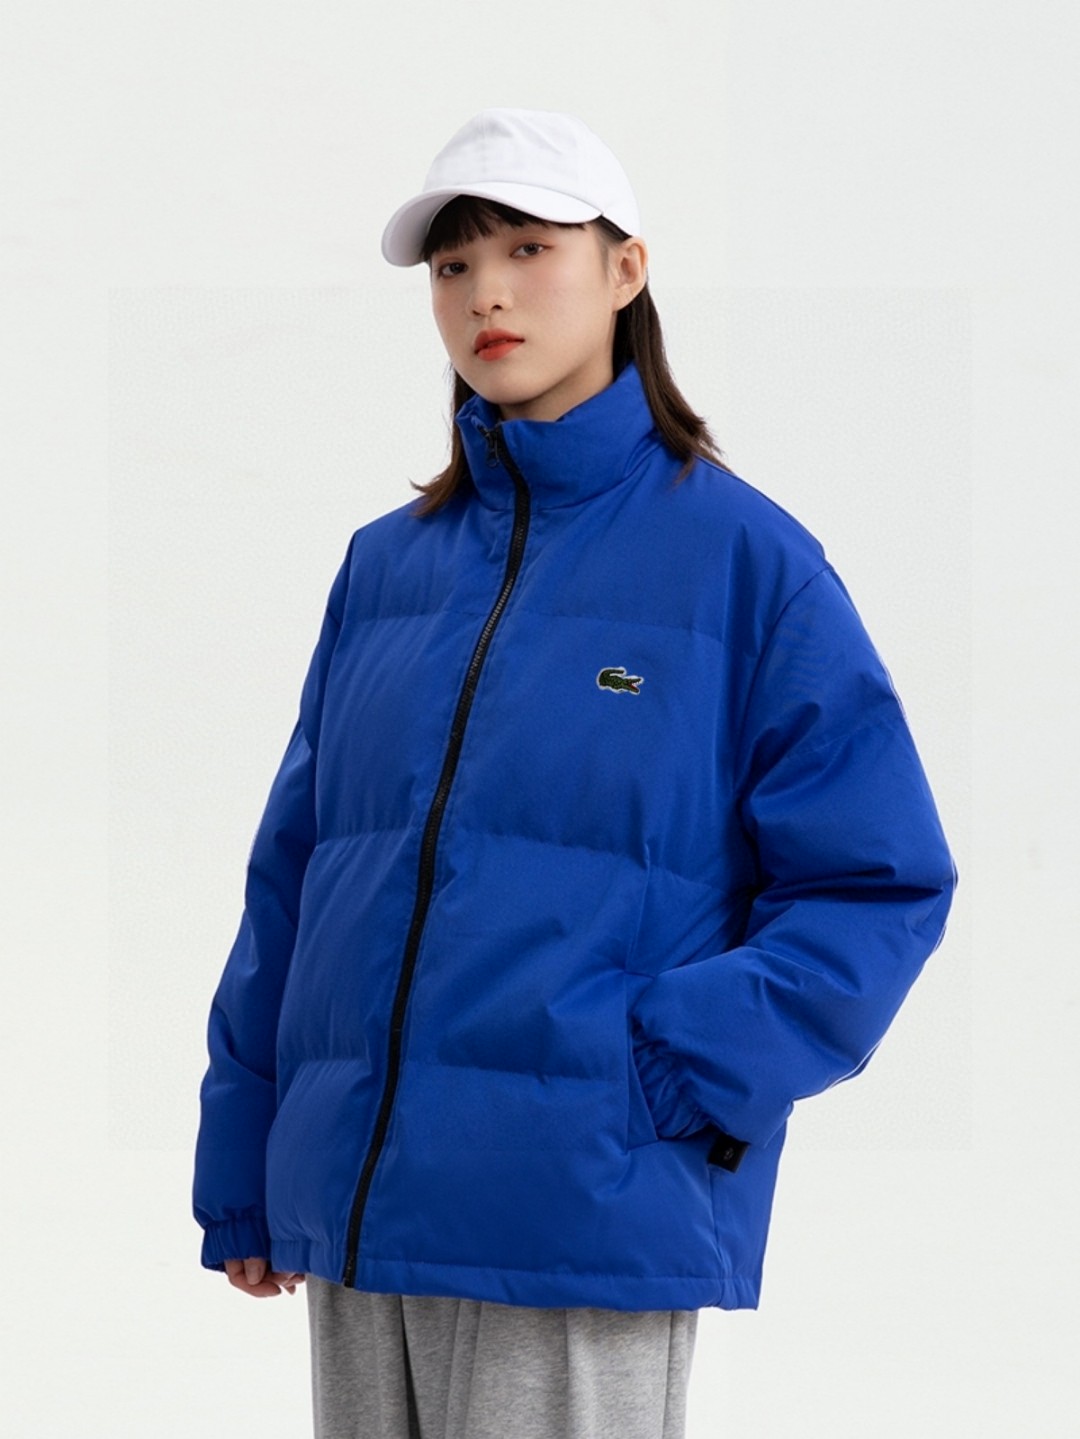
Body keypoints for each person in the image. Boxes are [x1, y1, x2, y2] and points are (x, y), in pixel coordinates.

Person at [192, 108, 956, 1439]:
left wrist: (659, 1071)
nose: (485, 293)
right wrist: (246, 1152)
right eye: (453, 265)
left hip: (577, 1205)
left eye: (529, 249)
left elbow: (878, 885)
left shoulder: (748, 566)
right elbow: (297, 879)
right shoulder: (385, 568)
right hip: (357, 1207)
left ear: (626, 270)